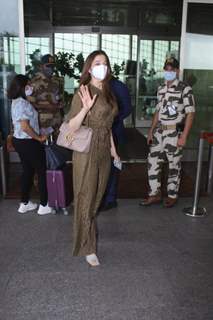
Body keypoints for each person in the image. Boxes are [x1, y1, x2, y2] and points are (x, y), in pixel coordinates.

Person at [66, 50, 119, 266]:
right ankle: (88, 246)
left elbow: (108, 127)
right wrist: (85, 108)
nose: (102, 66)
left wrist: (114, 150)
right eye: (98, 63)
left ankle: (87, 231)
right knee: (85, 198)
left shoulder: (108, 92)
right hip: (86, 150)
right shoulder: (83, 91)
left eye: (105, 63)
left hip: (104, 150)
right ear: (89, 68)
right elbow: (71, 125)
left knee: (97, 198)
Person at [140, 58, 195, 208]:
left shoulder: (185, 89)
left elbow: (190, 113)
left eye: (171, 69)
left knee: (174, 164)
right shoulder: (161, 88)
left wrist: (184, 135)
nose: (168, 72)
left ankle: (172, 195)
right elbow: (158, 111)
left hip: (174, 132)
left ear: (177, 71)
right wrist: (151, 131)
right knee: (152, 162)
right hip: (159, 132)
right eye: (166, 69)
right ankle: (154, 194)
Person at [8, 74, 52, 215]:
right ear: (22, 87)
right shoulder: (23, 103)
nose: (31, 87)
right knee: (41, 171)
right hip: (29, 142)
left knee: (28, 171)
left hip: (19, 141)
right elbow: (25, 126)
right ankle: (44, 205)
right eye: (28, 85)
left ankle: (24, 203)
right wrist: (39, 138)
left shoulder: (15, 101)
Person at [100, 78, 132, 210]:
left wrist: (111, 118)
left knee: (112, 167)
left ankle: (110, 198)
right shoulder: (92, 83)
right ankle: (99, 196)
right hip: (95, 133)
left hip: (113, 131)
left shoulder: (118, 86)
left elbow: (127, 108)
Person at [29, 54, 64, 137]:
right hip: (43, 123)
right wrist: (46, 106)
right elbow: (29, 104)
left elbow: (60, 98)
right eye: (48, 66)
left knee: (58, 146)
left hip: (57, 121)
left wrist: (61, 104)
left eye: (52, 66)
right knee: (43, 147)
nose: (51, 69)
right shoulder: (34, 83)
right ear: (41, 66)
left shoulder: (57, 81)